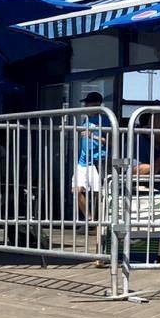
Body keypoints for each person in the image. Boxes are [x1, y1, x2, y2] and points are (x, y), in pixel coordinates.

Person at [72, 91, 108, 230]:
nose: (85, 105)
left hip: (98, 160)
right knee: (76, 189)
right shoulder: (86, 119)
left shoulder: (105, 120)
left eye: (87, 103)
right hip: (83, 160)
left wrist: (93, 136)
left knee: (99, 193)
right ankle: (89, 219)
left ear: (96, 105)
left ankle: (96, 222)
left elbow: (110, 141)